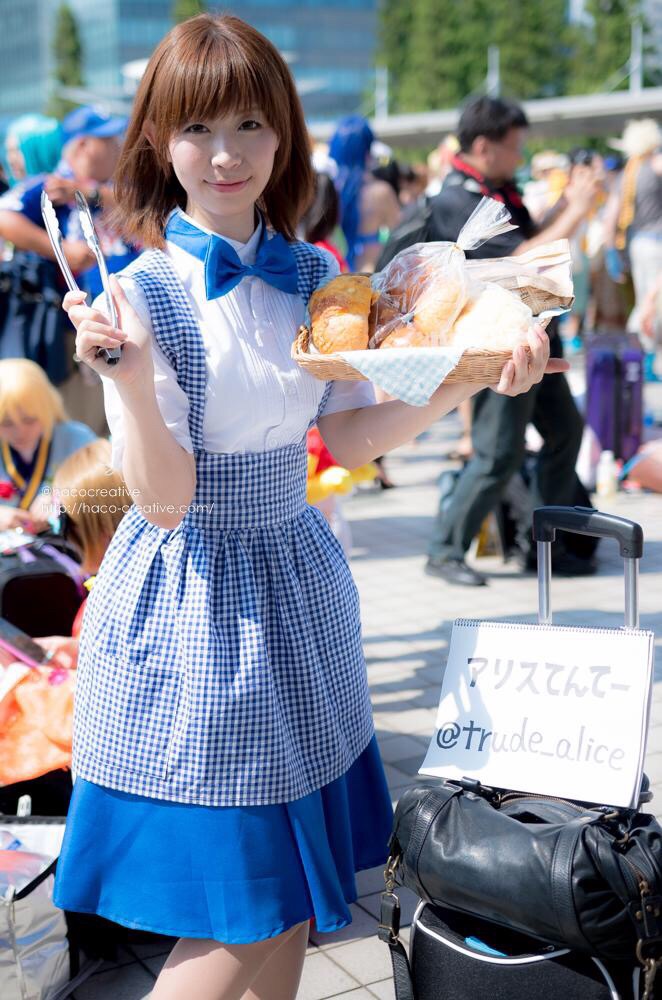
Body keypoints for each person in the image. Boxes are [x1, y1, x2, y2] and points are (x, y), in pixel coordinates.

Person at [51, 15, 561, 1000]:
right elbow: (161, 499)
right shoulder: (139, 295)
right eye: (198, 129)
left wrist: (468, 379)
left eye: (249, 123)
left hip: (295, 583)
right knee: (243, 911)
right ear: (157, 140)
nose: (227, 153)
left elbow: (345, 435)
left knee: (293, 898)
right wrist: (129, 376)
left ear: (283, 135)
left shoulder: (316, 275)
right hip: (196, 608)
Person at [424, 96, 601, 587]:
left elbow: (533, 242)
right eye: (515, 147)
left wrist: (570, 204)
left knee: (566, 430)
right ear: (484, 146)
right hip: (500, 343)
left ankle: (539, 542)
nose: (521, 158)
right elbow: (520, 262)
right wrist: (579, 210)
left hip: (536, 335)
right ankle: (444, 548)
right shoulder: (457, 197)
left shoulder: (497, 189)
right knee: (497, 450)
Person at [0, 438, 130, 788]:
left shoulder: (121, 603)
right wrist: (74, 648)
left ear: (102, 533)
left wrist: (20, 679)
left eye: (64, 524)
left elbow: (96, 718)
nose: (62, 536)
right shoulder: (121, 588)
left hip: (104, 766)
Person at [0, 106, 138, 433]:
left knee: (125, 423)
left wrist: (90, 193)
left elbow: (143, 203)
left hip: (127, 318)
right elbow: (3, 216)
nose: (119, 145)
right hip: (80, 326)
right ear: (83, 146)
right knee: (89, 427)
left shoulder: (105, 186)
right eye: (108, 139)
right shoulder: (52, 184)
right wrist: (62, 250)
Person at [0, 358, 95, 532]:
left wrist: (62, 497)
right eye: (6, 423)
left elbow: (106, 491)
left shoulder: (77, 439)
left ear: (48, 409)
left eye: (30, 420)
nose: (20, 432)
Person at [605, 118, 662, 381]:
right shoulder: (654, 165)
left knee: (647, 300)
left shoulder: (628, 173)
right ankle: (642, 353)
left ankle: (640, 352)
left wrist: (611, 250)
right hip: (656, 243)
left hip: (638, 243)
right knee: (652, 303)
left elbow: (612, 215)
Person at [329, 114, 401, 271]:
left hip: (333, 277)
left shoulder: (326, 192)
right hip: (372, 277)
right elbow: (401, 237)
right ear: (367, 149)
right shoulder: (381, 192)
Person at [4, 113, 64, 185]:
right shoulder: (16, 194)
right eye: (8, 151)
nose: (10, 160)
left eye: (16, 150)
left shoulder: (73, 193)